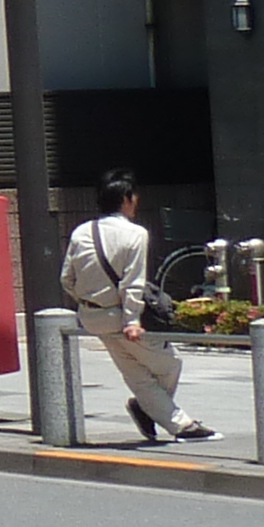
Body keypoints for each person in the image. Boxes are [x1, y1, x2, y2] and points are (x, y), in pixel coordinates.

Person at [60, 172, 209, 444]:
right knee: (169, 364)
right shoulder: (135, 233)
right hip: (121, 317)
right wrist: (132, 319)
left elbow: (66, 278)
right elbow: (133, 282)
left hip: (91, 316)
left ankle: (179, 424)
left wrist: (88, 300)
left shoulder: (81, 231)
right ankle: (151, 410)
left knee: (136, 373)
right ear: (127, 200)